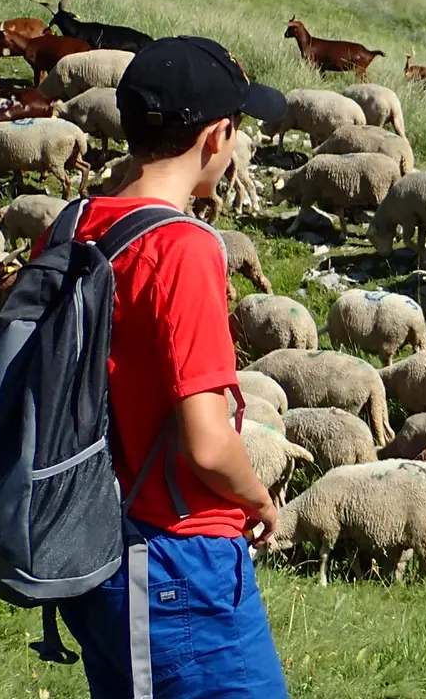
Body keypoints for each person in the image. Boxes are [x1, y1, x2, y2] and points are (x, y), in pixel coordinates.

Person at [53, 36, 291, 699]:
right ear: (217, 137)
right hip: (172, 553)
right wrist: (260, 499)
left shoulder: (76, 225)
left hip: (89, 537)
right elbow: (208, 444)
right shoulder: (183, 248)